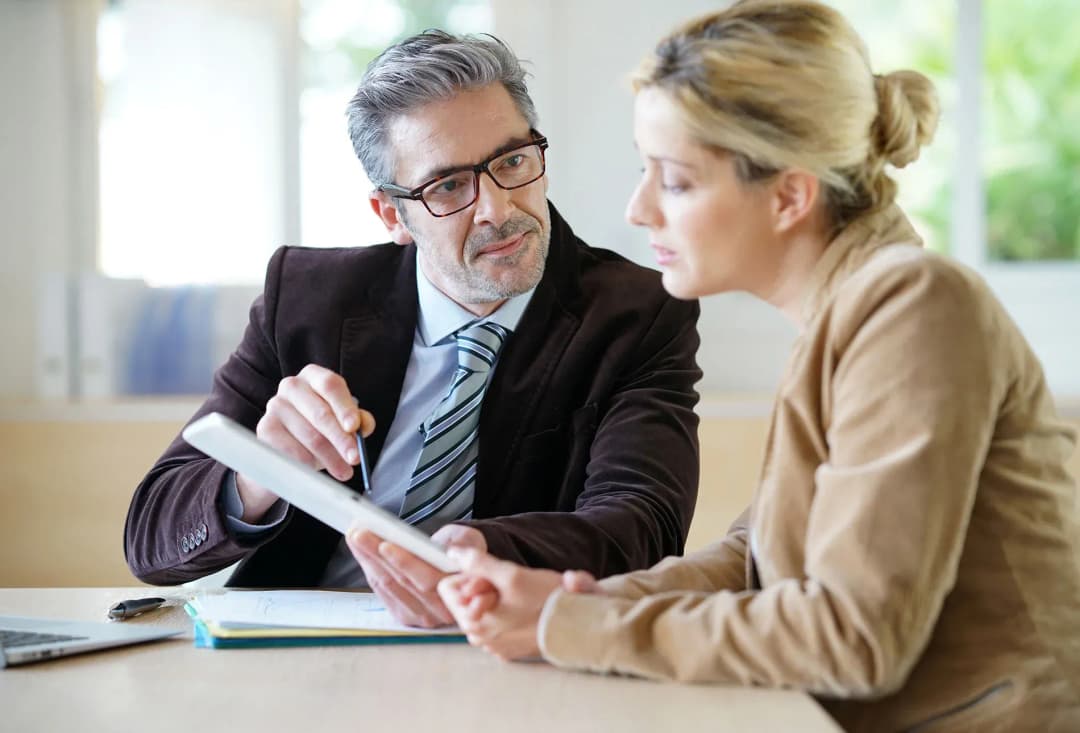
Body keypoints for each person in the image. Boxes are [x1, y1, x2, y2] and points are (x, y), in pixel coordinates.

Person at [437, 2, 1080, 730]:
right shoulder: (852, 310)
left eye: (674, 181)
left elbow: (852, 638)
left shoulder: (915, 307)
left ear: (789, 195)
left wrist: (571, 626)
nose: (639, 208)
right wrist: (573, 602)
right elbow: (757, 554)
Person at [124, 30, 703, 629]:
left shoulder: (637, 312)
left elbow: (645, 526)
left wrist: (478, 553)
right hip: (299, 646)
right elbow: (151, 542)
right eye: (448, 186)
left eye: (512, 162)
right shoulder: (306, 298)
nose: (497, 210)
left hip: (497, 645)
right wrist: (262, 470)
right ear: (390, 214)